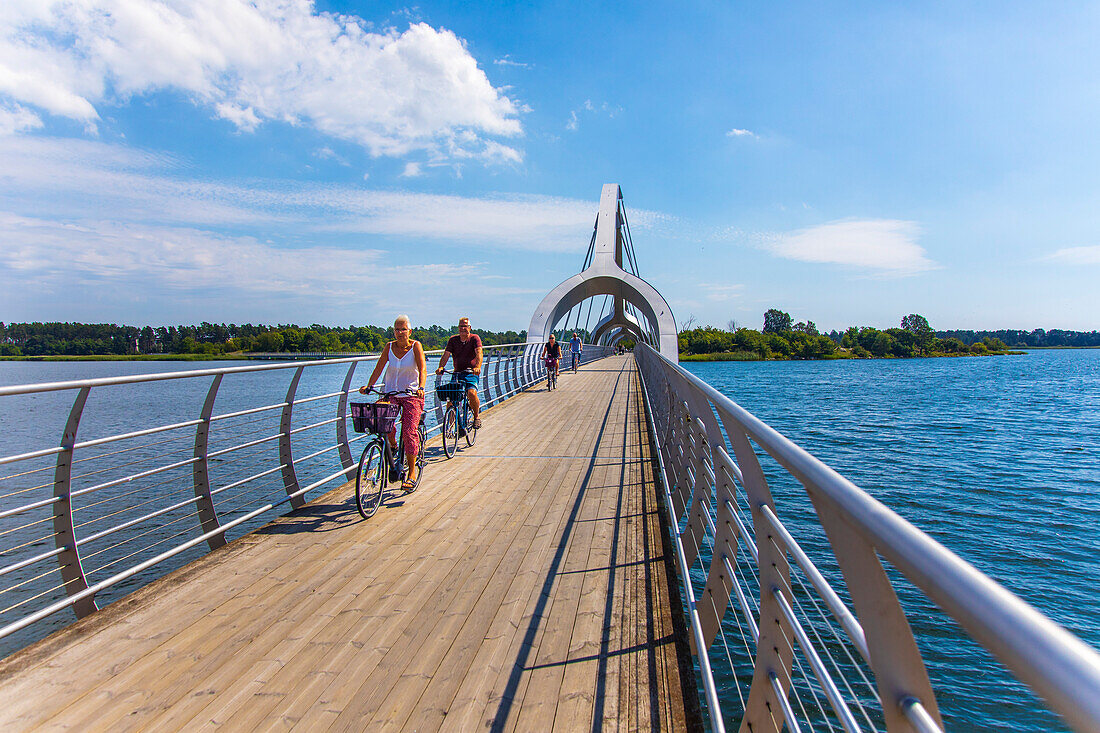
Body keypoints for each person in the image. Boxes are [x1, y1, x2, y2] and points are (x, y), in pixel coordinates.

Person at [359, 315, 426, 489]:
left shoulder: (415, 346)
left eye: (403, 329)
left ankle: (411, 473)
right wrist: (369, 386)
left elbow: (423, 368)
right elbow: (379, 367)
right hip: (391, 394)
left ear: (409, 331)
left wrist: (421, 387)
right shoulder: (389, 347)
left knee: (409, 432)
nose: (400, 332)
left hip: (411, 395)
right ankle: (394, 446)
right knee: (382, 422)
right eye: (397, 329)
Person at [435, 316, 483, 429]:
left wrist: (477, 366)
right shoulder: (453, 340)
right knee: (451, 398)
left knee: (471, 393)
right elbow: (446, 354)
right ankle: (451, 425)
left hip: (471, 373)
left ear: (469, 328)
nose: (463, 328)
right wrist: (441, 367)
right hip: (457, 373)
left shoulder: (474, 338)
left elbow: (479, 353)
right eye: (461, 326)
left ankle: (476, 417)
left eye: (465, 326)